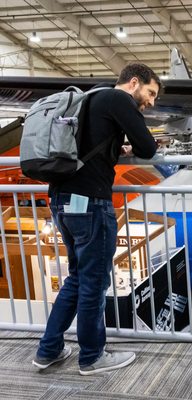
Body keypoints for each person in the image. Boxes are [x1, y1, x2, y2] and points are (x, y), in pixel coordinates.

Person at [32, 63, 161, 376]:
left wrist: (119, 145)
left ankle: (48, 350)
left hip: (62, 201)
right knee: (93, 283)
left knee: (77, 279)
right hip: (91, 203)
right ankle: (92, 356)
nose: (151, 101)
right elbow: (148, 147)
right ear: (134, 83)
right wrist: (136, 141)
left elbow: (94, 146)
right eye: (150, 93)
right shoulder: (119, 100)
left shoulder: (90, 99)